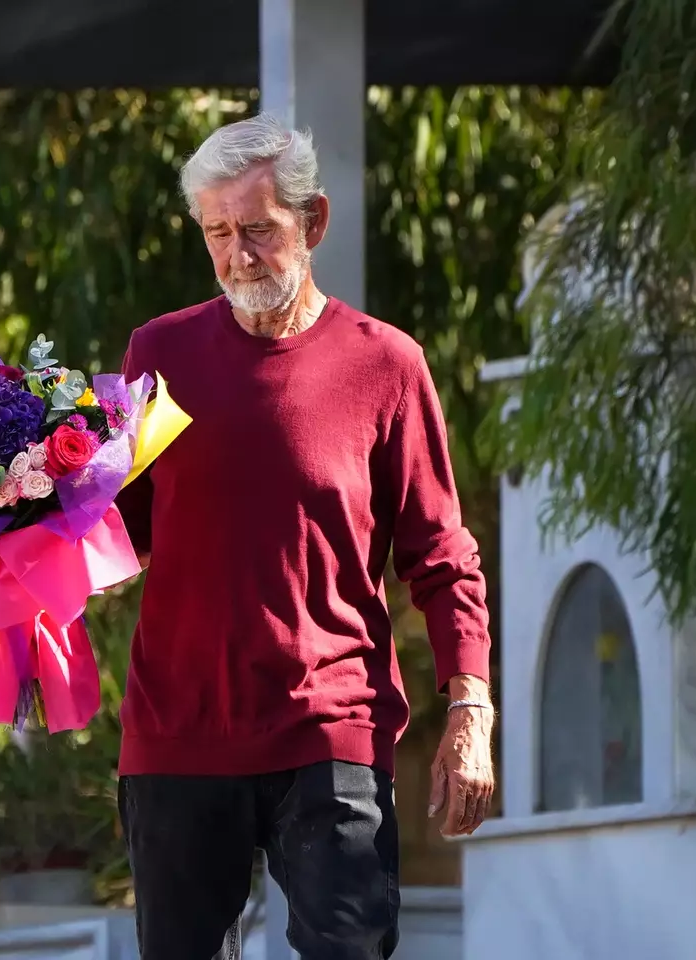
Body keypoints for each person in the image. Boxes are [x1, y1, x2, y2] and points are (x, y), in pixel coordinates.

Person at [113, 113, 496, 960]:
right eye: (217, 232)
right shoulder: (157, 354)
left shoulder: (388, 365)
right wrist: (14, 537)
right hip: (179, 729)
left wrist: (470, 707)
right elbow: (115, 532)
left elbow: (440, 554)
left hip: (330, 727)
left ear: (312, 221)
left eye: (258, 229)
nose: (237, 254)